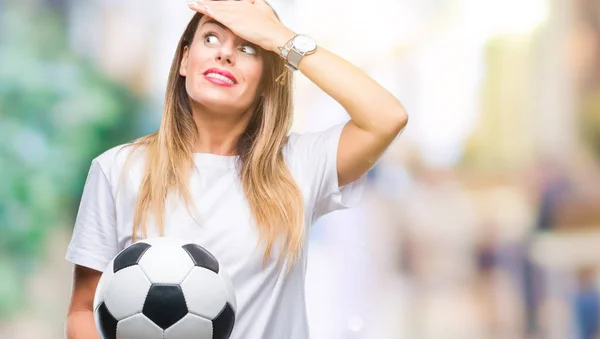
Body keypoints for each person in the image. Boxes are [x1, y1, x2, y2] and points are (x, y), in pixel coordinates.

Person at [64, 0, 408, 338]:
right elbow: (84, 309)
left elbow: (386, 118)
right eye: (211, 38)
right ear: (185, 59)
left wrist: (281, 37)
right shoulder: (118, 169)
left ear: (269, 80)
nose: (225, 54)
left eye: (249, 47)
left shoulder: (299, 165)